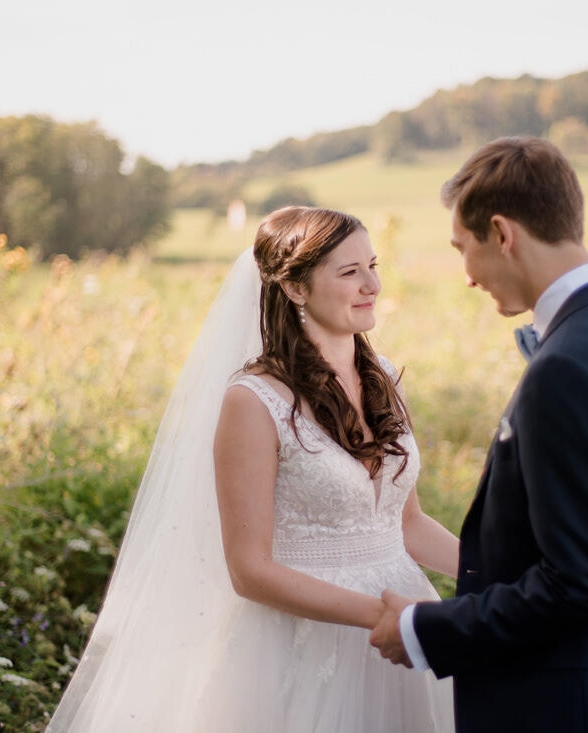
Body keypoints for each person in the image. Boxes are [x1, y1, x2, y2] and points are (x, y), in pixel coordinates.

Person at [47, 206, 458, 732]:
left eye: (372, 265)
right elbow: (250, 571)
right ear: (296, 289)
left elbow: (406, 524)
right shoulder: (254, 401)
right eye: (349, 272)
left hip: (403, 630)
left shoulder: (382, 382)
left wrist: (493, 576)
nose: (372, 284)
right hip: (308, 644)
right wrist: (386, 618)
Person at [369, 136, 588, 732]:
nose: (469, 278)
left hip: (565, 707)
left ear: (502, 234)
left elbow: (577, 582)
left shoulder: (566, 367)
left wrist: (425, 627)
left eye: (464, 249)